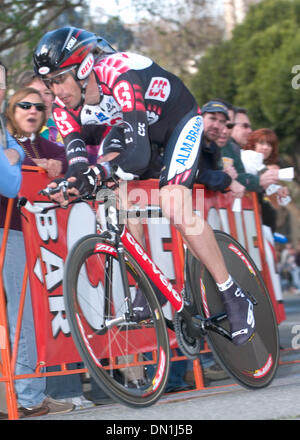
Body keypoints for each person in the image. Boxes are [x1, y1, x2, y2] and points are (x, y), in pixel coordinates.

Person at [33, 26, 256, 346]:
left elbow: (137, 157)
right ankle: (145, 285)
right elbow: (80, 164)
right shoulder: (61, 108)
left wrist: (97, 173)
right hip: (130, 128)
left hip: (176, 121)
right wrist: (71, 182)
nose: (56, 90)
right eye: (48, 83)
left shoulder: (119, 75)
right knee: (111, 200)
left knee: (173, 202)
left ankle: (232, 293)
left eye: (59, 79)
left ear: (83, 69)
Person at [0, 87, 74, 418]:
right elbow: (11, 173)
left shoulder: (39, 143)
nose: (32, 110)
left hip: (21, 233)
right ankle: (28, 396)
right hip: (7, 230)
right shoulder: (7, 140)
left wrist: (58, 164)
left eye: (39, 106)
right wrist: (27, 163)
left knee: (21, 316)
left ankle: (27, 395)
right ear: (11, 110)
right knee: (20, 315)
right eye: (24, 105)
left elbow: (78, 160)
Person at [243, 128, 290, 232]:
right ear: (253, 143)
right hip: (250, 226)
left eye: (269, 145)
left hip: (265, 228)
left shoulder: (267, 168)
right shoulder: (245, 158)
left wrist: (278, 192)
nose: (265, 148)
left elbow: (275, 204)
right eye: (261, 143)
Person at [17, 71, 63, 145]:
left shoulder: (62, 130)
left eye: (47, 93)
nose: (42, 99)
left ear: (53, 98)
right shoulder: (12, 133)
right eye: (35, 93)